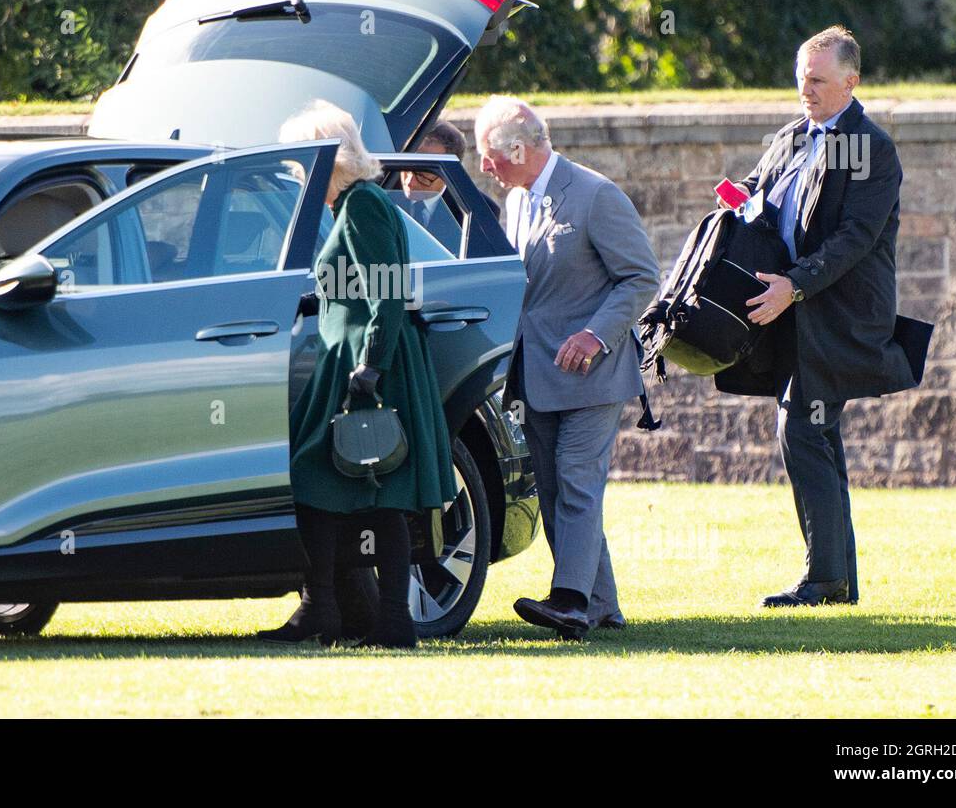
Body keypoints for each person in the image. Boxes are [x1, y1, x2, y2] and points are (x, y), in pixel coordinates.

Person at [717, 26, 920, 608]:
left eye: (817, 80)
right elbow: (757, 192)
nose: (805, 89)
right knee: (817, 434)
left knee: (801, 428)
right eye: (801, 77)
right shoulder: (789, 136)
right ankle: (837, 580)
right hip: (789, 310)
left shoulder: (871, 147)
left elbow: (856, 236)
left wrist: (795, 288)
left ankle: (824, 579)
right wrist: (733, 199)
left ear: (850, 82)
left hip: (837, 315)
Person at [258, 100, 458, 648]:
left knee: (348, 483)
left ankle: (361, 615)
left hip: (368, 366)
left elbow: (385, 294)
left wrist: (371, 363)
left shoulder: (363, 204)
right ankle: (343, 612)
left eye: (304, 162)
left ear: (329, 158)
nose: (298, 174)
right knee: (360, 488)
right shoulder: (355, 203)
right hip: (354, 360)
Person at [476, 96, 659, 638]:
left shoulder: (596, 195)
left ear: (517, 148)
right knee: (554, 494)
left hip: (593, 374)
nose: (484, 168)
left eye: (490, 156)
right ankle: (601, 604)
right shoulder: (515, 204)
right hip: (536, 376)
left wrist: (595, 334)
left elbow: (641, 278)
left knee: (578, 485)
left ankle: (570, 601)